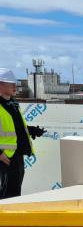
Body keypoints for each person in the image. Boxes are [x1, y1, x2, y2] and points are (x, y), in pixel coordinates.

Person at [0, 68, 46, 199]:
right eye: (11, 84)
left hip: (16, 156)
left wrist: (31, 130)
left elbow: (14, 128)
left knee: (14, 194)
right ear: (0, 84)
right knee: (6, 195)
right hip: (5, 158)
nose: (15, 87)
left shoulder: (12, 104)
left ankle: (12, 219)